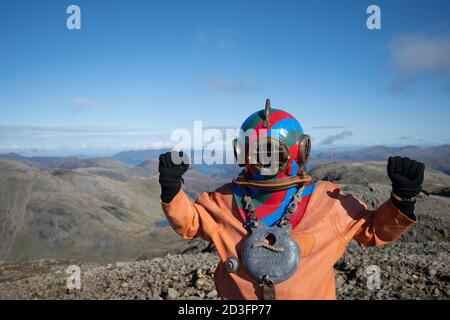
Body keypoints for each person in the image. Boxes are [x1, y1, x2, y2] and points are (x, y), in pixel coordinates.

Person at [158, 99, 425, 300]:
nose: (266, 160)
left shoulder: (328, 202)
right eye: (261, 152)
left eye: (272, 152)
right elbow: (191, 222)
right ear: (303, 149)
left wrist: (402, 200)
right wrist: (172, 190)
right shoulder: (224, 201)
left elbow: (374, 230)